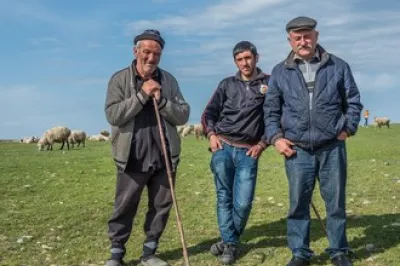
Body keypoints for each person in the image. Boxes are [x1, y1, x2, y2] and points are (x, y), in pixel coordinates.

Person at [263, 17, 363, 266]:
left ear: (316, 36)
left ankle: (339, 250)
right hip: (296, 150)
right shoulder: (279, 72)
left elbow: (353, 101)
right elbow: (271, 110)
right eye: (298, 38)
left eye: (307, 36)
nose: (303, 41)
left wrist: (347, 130)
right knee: (298, 203)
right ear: (290, 40)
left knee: (335, 202)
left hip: (331, 146)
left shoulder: (338, 66)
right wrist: (276, 139)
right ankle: (300, 253)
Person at [104, 29, 190, 266]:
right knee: (125, 206)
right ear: (136, 51)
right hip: (132, 157)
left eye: (157, 53)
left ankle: (149, 252)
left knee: (161, 206)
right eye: (147, 52)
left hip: (164, 156)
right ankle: (116, 254)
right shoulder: (119, 79)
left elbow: (183, 114)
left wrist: (162, 101)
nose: (152, 58)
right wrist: (142, 95)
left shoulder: (169, 81)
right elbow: (113, 115)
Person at [201, 41, 269, 265]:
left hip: (248, 151)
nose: (244, 63)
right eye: (240, 60)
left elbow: (275, 116)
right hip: (223, 146)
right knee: (224, 196)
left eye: (248, 58)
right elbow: (209, 112)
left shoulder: (269, 83)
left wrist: (262, 143)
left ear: (256, 58)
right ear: (235, 62)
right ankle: (230, 245)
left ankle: (227, 241)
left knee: (243, 203)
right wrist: (211, 135)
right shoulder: (226, 84)